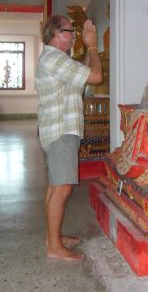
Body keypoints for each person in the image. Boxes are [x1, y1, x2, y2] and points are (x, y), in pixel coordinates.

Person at [35, 15, 102, 261]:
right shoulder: (55, 58)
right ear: (55, 33)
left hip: (57, 128)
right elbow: (95, 76)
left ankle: (53, 238)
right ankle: (54, 247)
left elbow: (82, 73)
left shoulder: (57, 60)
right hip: (62, 130)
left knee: (56, 186)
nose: (73, 34)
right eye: (69, 30)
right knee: (62, 188)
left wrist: (86, 50)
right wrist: (93, 46)